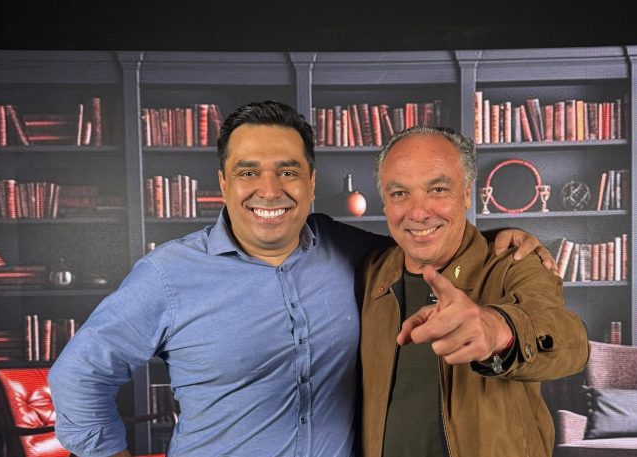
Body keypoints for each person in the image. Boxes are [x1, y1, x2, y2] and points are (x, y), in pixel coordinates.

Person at [49, 101, 554, 457]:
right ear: (223, 184)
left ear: (311, 183)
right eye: (248, 172)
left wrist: (496, 239)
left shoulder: (353, 251)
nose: (269, 190)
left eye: (288, 171)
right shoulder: (167, 275)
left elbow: (424, 235)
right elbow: (77, 377)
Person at [358, 125, 590, 457]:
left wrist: (500, 332)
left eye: (438, 189)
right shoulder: (369, 273)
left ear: (467, 193)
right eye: (399, 194)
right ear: (384, 202)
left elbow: (570, 343)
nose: (418, 212)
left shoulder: (514, 263)